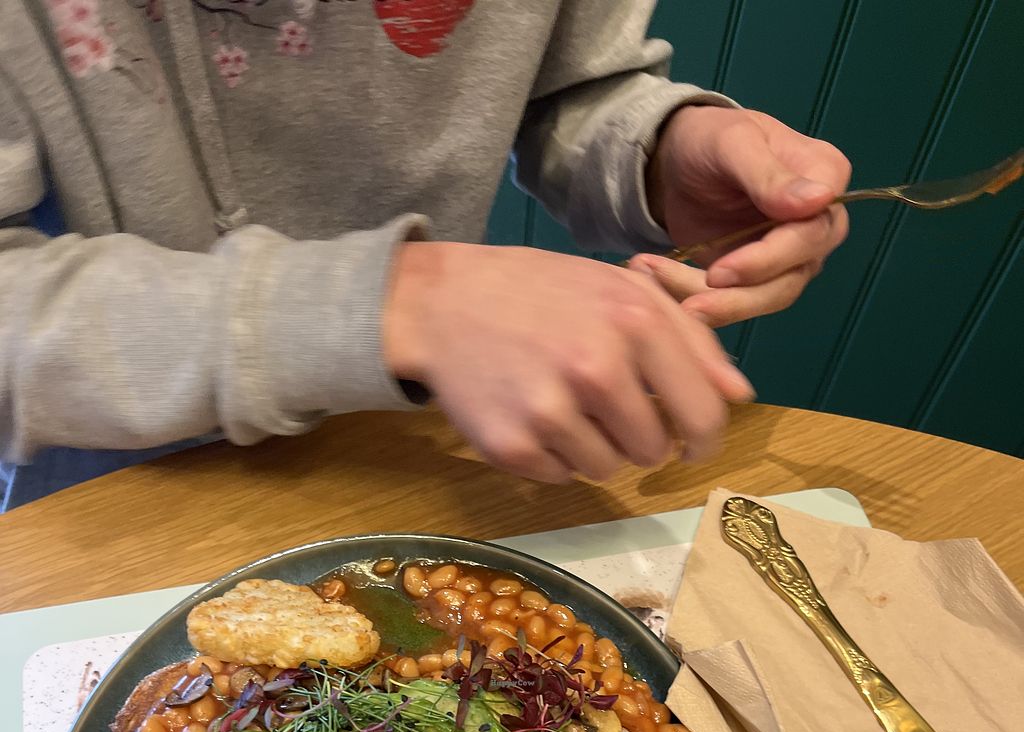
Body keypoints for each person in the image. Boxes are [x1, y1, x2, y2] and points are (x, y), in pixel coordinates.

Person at [0, 1, 850, 486]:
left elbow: (571, 82)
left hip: (425, 458)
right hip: (112, 487)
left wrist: (656, 153)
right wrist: (383, 303)